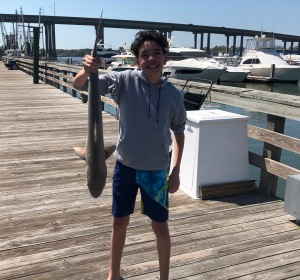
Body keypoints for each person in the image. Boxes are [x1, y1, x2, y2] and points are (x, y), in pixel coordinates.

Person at [73, 30, 186, 280]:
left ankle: (164, 277)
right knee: (118, 222)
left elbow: (179, 134)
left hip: (156, 171)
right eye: (144, 55)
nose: (151, 59)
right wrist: (87, 69)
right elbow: (79, 84)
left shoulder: (174, 96)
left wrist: (175, 171)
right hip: (125, 167)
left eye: (156, 53)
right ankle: (114, 274)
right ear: (137, 61)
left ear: (165, 58)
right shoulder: (123, 80)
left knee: (160, 227)